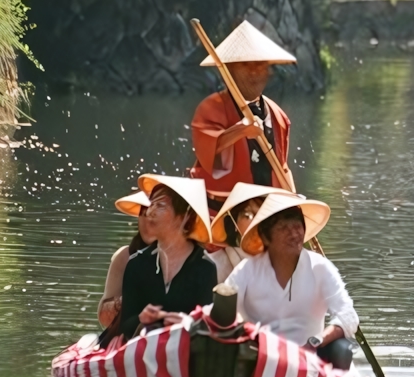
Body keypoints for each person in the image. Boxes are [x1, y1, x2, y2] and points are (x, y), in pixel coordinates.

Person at [228, 193, 359, 369]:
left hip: (310, 361)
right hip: (260, 362)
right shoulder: (248, 270)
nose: (294, 233)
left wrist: (317, 340)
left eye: (297, 226)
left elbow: (348, 315)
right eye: (284, 227)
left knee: (341, 349)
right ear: (266, 237)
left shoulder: (319, 267)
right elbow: (221, 306)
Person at [104, 175, 219, 347]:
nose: (150, 213)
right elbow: (126, 325)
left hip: (185, 354)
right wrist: (141, 319)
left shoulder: (205, 267)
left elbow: (208, 327)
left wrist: (187, 323)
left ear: (184, 216)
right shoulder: (137, 263)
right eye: (152, 205)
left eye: (161, 206)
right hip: (141, 355)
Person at [189, 20, 297, 195]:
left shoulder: (278, 115)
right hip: (222, 206)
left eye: (260, 65)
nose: (253, 71)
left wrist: (293, 200)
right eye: (245, 65)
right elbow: (205, 151)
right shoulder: (212, 107)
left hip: (266, 207)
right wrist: (240, 130)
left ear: (269, 71)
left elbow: (283, 167)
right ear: (230, 69)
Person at [197, 183, 295, 281]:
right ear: (235, 221)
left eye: (268, 216)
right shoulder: (213, 267)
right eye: (249, 215)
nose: (259, 222)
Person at [97, 189, 154, 329]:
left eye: (153, 215)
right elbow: (103, 318)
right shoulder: (125, 256)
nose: (147, 221)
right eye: (143, 213)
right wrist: (124, 302)